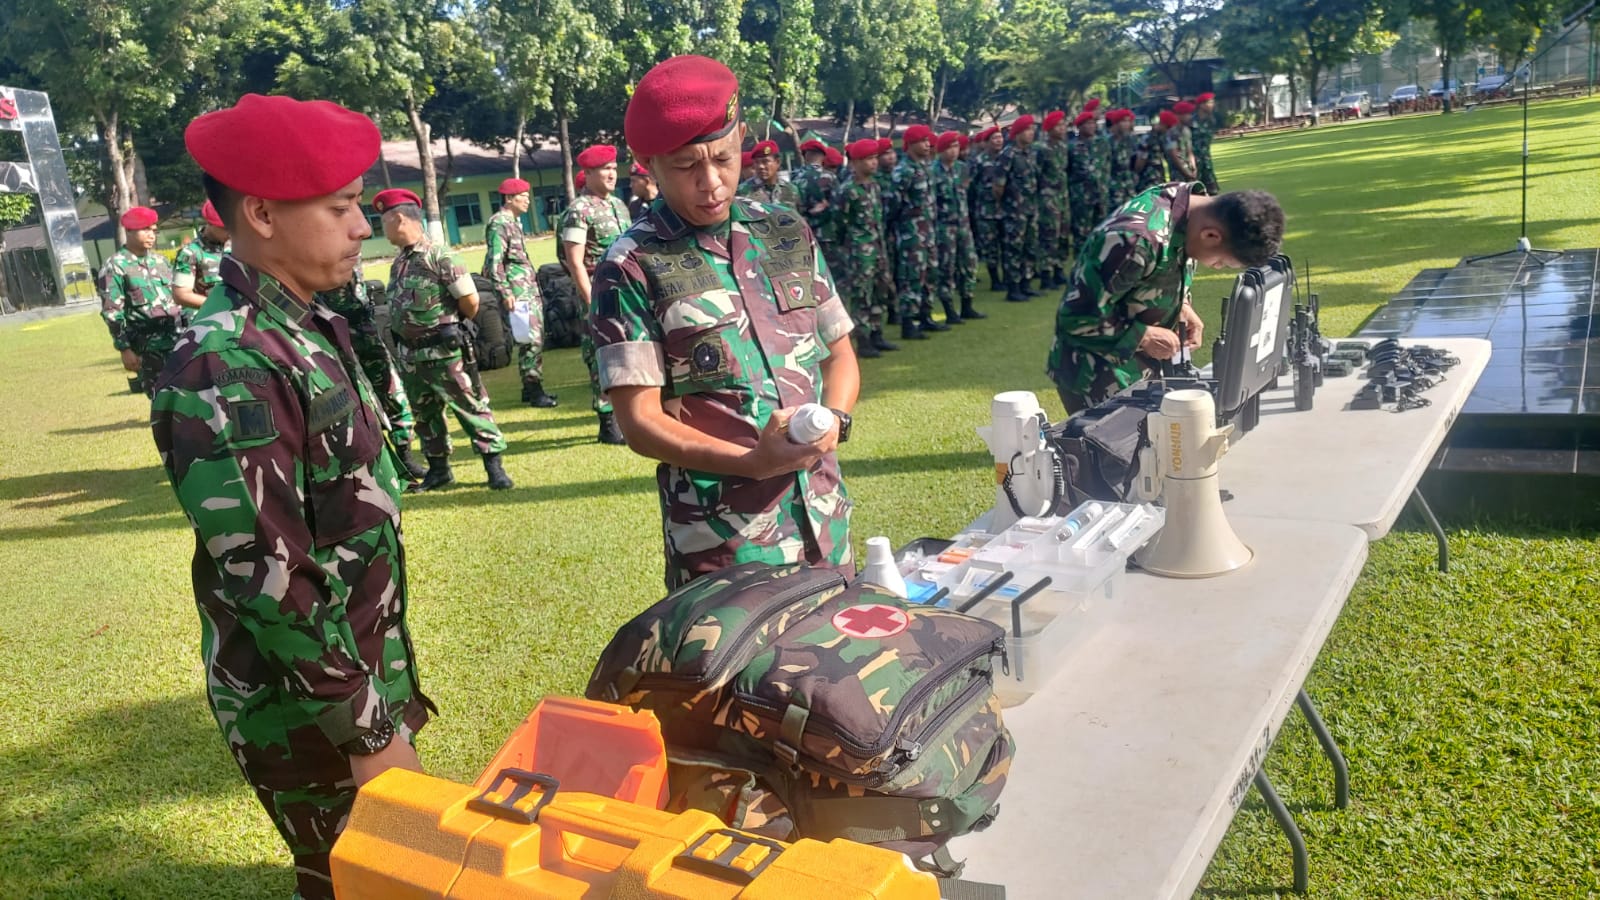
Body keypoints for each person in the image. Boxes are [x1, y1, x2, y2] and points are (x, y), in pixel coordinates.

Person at [151, 94, 435, 899]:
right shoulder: (228, 362)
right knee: (368, 884)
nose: (359, 226)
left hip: (355, 683)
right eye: (341, 207)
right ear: (264, 214)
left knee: (400, 875)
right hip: (312, 715)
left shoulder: (300, 327)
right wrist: (369, 733)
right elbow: (269, 576)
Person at [590, 54, 859, 590]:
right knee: (738, 675)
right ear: (648, 165)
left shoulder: (786, 231)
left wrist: (835, 420)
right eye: (687, 166)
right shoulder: (631, 266)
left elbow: (840, 353)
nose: (712, 182)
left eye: (724, 157)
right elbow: (640, 421)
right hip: (724, 542)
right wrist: (751, 461)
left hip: (824, 516)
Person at [1046, 183, 1285, 413]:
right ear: (1211, 235)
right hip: (1096, 376)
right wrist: (1143, 336)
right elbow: (1075, 317)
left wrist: (1183, 305)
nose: (1216, 267)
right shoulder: (1135, 241)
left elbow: (1162, 270)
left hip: (1141, 372)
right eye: (1220, 261)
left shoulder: (1193, 208)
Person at [375, 187, 514, 491]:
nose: (380, 228)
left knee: (469, 407)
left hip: (444, 352)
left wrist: (450, 325)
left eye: (382, 221)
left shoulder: (441, 256)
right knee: (425, 415)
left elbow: (470, 300)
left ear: (399, 219)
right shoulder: (400, 262)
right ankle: (439, 469)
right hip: (412, 356)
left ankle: (494, 467)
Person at [319, 269, 429, 481]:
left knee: (393, 394)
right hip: (333, 339)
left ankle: (405, 459)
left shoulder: (348, 256)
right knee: (352, 403)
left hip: (366, 335)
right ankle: (368, 465)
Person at [560, 143, 633, 445]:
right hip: (598, 295)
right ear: (588, 173)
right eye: (605, 169)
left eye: (614, 169)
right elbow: (574, 261)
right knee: (600, 354)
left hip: (627, 293)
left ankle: (631, 415)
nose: (611, 174)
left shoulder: (618, 205)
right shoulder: (578, 211)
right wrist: (591, 302)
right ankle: (607, 420)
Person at [484, 177, 558, 408]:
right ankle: (535, 390)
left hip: (525, 288)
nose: (527, 201)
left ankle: (530, 387)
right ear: (509, 198)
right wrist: (505, 292)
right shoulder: (500, 223)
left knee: (531, 338)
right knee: (531, 340)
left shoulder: (513, 222)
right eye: (523, 197)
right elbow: (494, 261)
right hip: (517, 291)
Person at [100, 205, 181, 396]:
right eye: (145, 230)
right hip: (147, 349)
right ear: (129, 231)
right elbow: (112, 312)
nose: (152, 235)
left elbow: (176, 301)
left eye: (154, 230)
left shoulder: (161, 262)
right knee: (161, 401)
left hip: (177, 340)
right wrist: (124, 349)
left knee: (189, 399)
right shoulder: (116, 266)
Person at [836, 138, 898, 357]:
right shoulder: (848, 190)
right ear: (855, 162)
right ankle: (863, 340)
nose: (873, 163)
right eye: (868, 159)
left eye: (874, 158)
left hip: (878, 246)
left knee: (881, 290)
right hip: (859, 251)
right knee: (862, 295)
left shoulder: (874, 186)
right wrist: (852, 247)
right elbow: (840, 222)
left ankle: (877, 334)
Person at [886, 124, 950, 335]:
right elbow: (893, 205)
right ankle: (907, 321)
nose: (927, 144)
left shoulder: (925, 168)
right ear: (911, 144)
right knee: (912, 276)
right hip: (910, 233)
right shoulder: (903, 172)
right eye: (922, 141)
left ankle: (925, 315)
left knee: (930, 274)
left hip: (928, 231)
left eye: (928, 141)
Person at [932, 130, 985, 324]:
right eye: (949, 147)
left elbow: (967, 194)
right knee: (947, 268)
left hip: (963, 224)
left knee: (970, 264)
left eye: (956, 147)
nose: (953, 151)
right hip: (944, 227)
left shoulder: (963, 168)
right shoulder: (933, 171)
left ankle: (967, 305)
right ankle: (949, 310)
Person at [993, 114, 1040, 303]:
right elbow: (998, 186)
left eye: (1032, 130)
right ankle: (1013, 288)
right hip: (1015, 210)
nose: (1031, 134)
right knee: (1014, 249)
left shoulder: (1029, 154)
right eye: (1028, 130)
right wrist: (1007, 205)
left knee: (1029, 247)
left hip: (1030, 208)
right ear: (1018, 133)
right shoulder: (1008, 154)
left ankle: (1026, 283)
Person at [792, 139, 842, 283]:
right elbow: (839, 207)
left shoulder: (795, 179)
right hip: (828, 234)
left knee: (812, 275)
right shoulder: (830, 177)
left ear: (805, 155)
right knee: (833, 276)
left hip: (805, 235)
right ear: (823, 156)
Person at [1034, 110, 1071, 290]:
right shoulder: (1042, 149)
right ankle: (1045, 274)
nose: (1062, 128)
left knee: (1063, 235)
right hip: (1048, 197)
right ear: (1049, 129)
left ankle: (1058, 269)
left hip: (1062, 197)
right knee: (1049, 236)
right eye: (1058, 125)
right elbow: (1037, 174)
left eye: (1063, 125)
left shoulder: (1063, 148)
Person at [1067, 110, 1110, 257]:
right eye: (1087, 124)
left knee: (1102, 228)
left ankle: (1100, 259)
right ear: (1079, 127)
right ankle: (1081, 261)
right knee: (1081, 232)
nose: (1091, 126)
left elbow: (1107, 164)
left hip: (1101, 194)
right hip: (1082, 197)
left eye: (1093, 123)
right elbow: (1068, 171)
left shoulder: (1102, 143)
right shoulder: (1072, 147)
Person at [172, 200, 229, 309]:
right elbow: (181, 295)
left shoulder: (235, 248)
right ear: (210, 223)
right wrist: (221, 306)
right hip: (208, 319)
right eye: (224, 228)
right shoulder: (190, 253)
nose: (230, 233)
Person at [969, 127, 1004, 291]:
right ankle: (995, 279)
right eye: (995, 138)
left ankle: (1009, 278)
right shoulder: (979, 161)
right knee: (990, 247)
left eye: (1000, 137)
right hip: (986, 210)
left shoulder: (1006, 158)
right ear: (987, 141)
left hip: (1006, 208)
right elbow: (971, 185)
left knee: (1007, 245)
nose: (999, 140)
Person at [737, 139, 801, 208]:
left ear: (777, 162)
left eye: (765, 161)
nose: (760, 166)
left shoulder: (790, 190)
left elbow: (800, 216)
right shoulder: (743, 191)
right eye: (756, 162)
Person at [1105, 109, 1140, 210]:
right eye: (1123, 121)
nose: (1127, 124)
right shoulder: (1108, 142)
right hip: (1114, 185)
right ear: (1116, 123)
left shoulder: (1132, 140)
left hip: (1130, 185)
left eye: (1129, 121)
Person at [1134, 110, 1174, 193]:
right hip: (1148, 177)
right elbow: (1141, 160)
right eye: (1167, 127)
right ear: (1162, 125)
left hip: (1158, 175)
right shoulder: (1148, 138)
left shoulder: (1161, 137)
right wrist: (1137, 173)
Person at [1193, 92, 1221, 194]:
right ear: (1201, 105)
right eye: (1210, 102)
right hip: (1194, 162)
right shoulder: (1191, 121)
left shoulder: (1211, 120)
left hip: (1206, 161)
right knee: (1196, 191)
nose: (1212, 105)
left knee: (1213, 191)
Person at [1165, 100, 1199, 183]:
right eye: (1187, 114)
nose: (1190, 116)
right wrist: (1186, 172)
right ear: (1179, 115)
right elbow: (1174, 155)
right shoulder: (1172, 133)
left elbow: (1189, 151)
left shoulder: (1187, 131)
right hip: (1177, 173)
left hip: (1189, 171)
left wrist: (1193, 167)